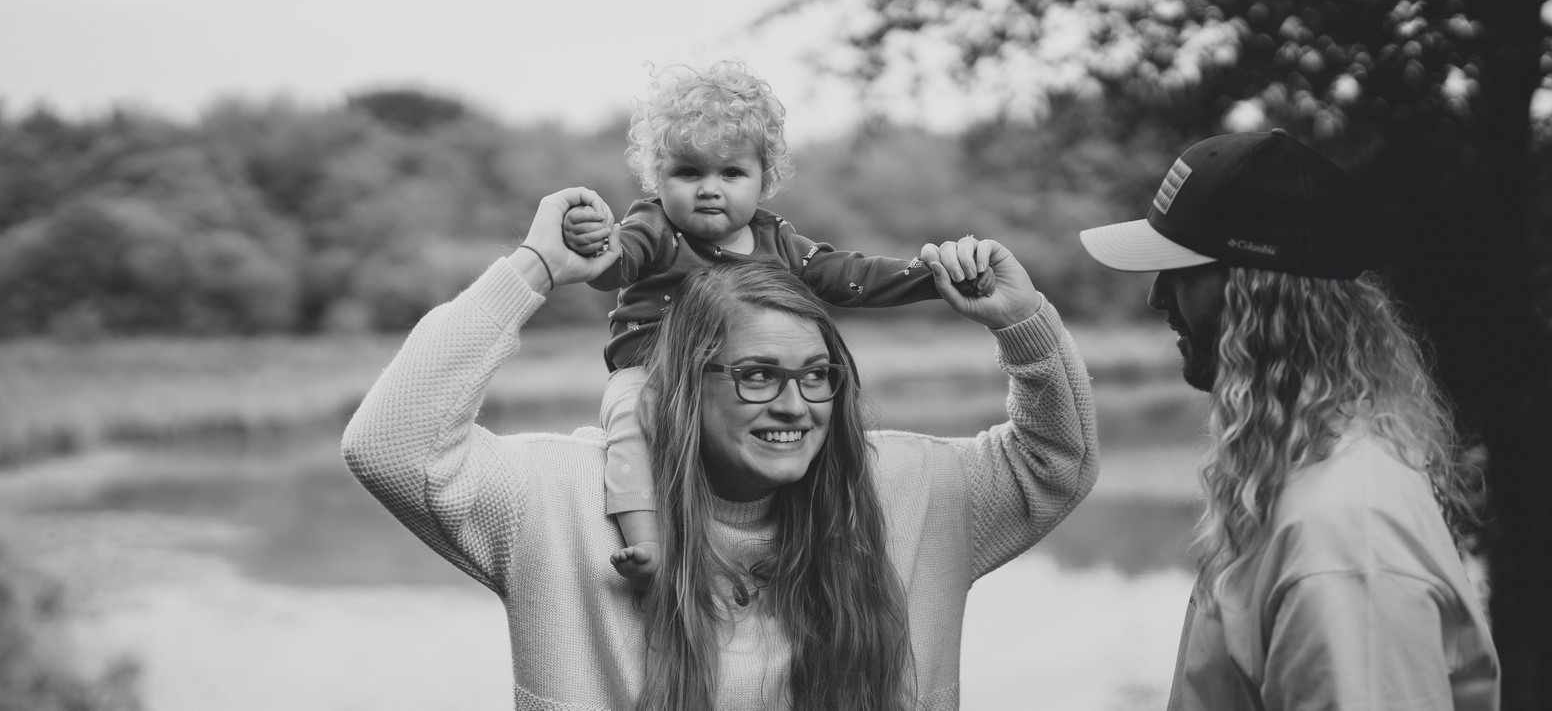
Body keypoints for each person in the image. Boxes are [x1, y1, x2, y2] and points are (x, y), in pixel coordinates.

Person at [342, 186, 1098, 711]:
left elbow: (1054, 461)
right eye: (757, 374)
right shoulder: (560, 499)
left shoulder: (906, 489)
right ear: (680, 383)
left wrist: (1022, 320)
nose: (796, 404)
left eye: (817, 375)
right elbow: (391, 445)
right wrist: (533, 270)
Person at [1079, 128, 1499, 710]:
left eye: (1181, 268)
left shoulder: (1345, 540)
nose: (1157, 296)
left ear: (1257, 292)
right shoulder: (1293, 474)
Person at [559, 60, 962, 587]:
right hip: (652, 374)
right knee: (631, 420)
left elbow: (849, 275)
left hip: (743, 386)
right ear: (657, 178)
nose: (709, 189)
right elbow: (617, 264)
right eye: (688, 172)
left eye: (730, 173)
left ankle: (817, 546)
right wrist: (593, 240)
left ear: (763, 180)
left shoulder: (778, 243)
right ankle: (646, 539)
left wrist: (933, 279)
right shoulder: (654, 230)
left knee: (820, 416)